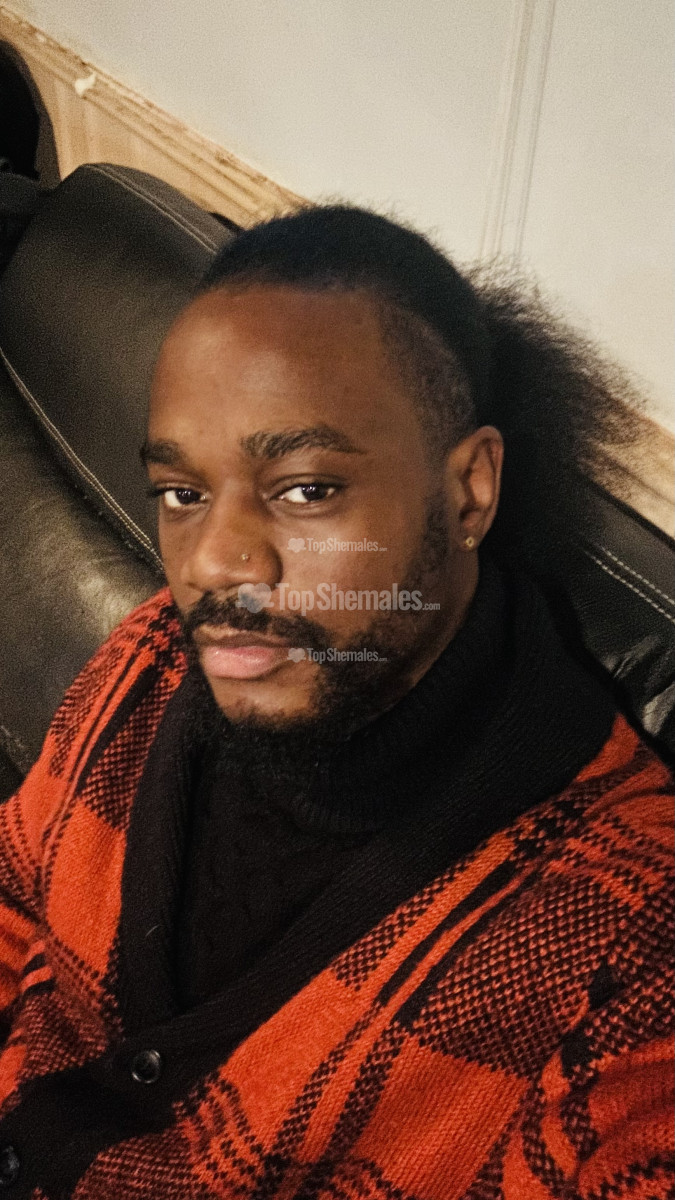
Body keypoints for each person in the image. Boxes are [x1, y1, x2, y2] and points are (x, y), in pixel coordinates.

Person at [0, 205, 672, 1199]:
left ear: (468, 491)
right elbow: (16, 890)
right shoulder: (155, 659)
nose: (214, 564)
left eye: (306, 490)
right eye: (183, 494)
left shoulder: (627, 927)